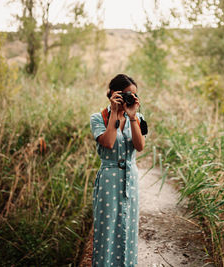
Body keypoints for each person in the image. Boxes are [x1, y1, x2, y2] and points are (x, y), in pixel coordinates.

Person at [89, 74, 146, 266]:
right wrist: (114, 112)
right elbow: (109, 142)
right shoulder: (98, 118)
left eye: (133, 95)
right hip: (109, 180)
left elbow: (140, 146)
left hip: (130, 179)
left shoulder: (137, 118)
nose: (129, 98)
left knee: (128, 227)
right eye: (125, 94)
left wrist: (132, 118)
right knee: (107, 229)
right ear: (113, 93)